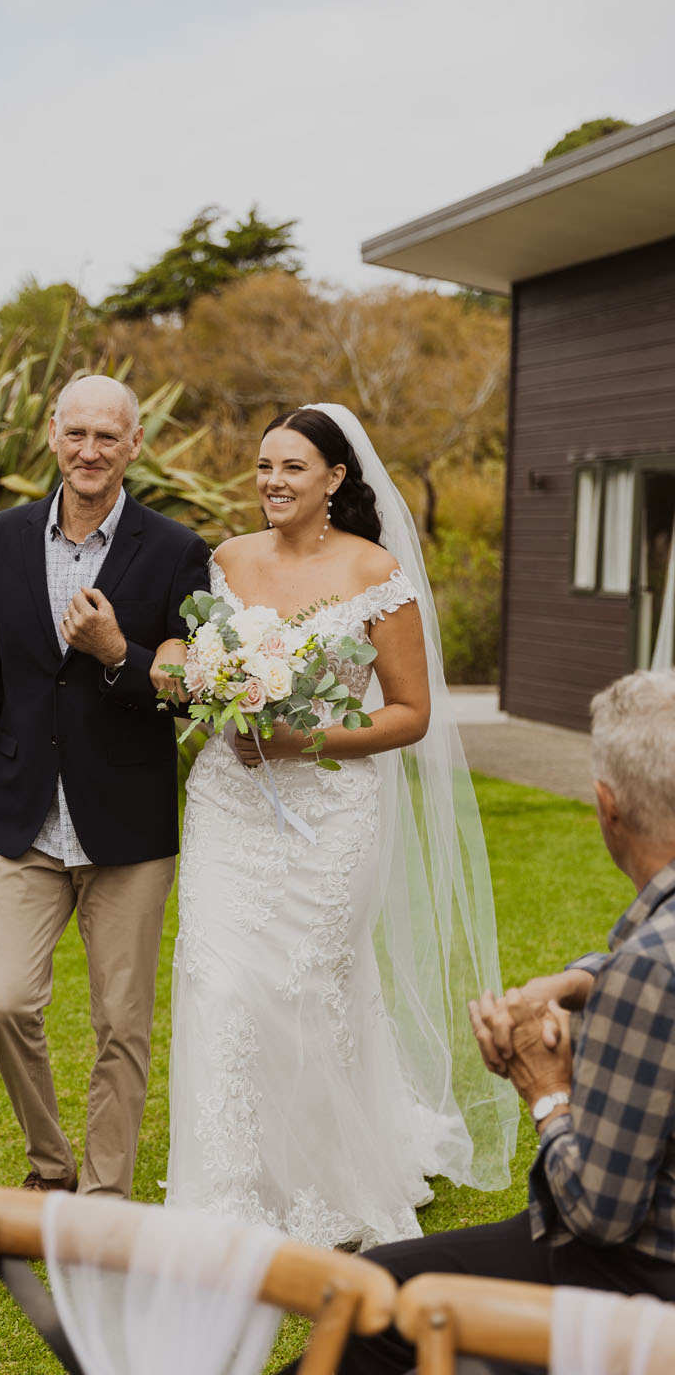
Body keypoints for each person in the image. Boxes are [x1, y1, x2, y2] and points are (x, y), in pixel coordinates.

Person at [158, 405, 517, 1250]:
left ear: (335, 480)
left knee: (307, 986)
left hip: (329, 810)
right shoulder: (225, 561)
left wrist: (307, 737)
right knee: (220, 983)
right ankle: (227, 1191)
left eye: (291, 467)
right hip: (229, 801)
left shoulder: (374, 572)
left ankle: (327, 1183)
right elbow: (187, 659)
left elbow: (412, 714)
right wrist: (188, 674)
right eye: (262, 466)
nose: (271, 482)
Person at [337, 666, 675, 1375]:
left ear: (607, 805)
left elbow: (599, 1210)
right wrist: (584, 980)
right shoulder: (644, 965)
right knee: (371, 1294)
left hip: (642, 1293)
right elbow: (642, 969)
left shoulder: (651, 976)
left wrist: (544, 1088)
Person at [0, 374, 209, 1197]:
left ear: (135, 445)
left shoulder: (175, 551)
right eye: (77, 433)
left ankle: (102, 1195)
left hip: (127, 827)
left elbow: (194, 691)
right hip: (24, 819)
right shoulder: (0, 539)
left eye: (109, 437)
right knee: (4, 1003)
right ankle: (51, 1163)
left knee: (121, 1026)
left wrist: (115, 653)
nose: (90, 451)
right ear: (53, 434)